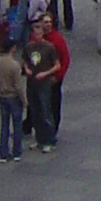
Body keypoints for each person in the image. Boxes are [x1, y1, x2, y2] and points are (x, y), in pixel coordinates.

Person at [22, 11, 68, 148]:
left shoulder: (56, 41)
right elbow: (26, 58)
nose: (47, 25)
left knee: (50, 108)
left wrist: (57, 77)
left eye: (49, 22)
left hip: (51, 81)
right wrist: (27, 69)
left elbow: (63, 60)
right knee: (36, 109)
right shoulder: (31, 43)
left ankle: (50, 136)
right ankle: (39, 136)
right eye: (45, 22)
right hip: (35, 81)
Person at [0, 39, 26, 162]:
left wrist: (0, 88)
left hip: (3, 96)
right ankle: (17, 152)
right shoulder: (14, 65)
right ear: (13, 48)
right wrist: (24, 100)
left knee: (4, 125)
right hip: (14, 98)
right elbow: (18, 86)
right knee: (17, 125)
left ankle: (3, 153)